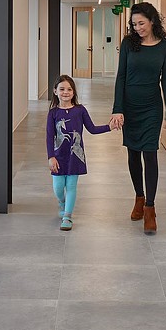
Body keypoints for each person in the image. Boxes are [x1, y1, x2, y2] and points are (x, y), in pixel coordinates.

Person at [109, 2, 166, 233]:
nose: (138, 28)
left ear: (152, 20)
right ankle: (138, 197)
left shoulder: (165, 47)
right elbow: (121, 78)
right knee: (133, 154)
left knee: (150, 153)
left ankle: (150, 208)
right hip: (129, 106)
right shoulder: (129, 44)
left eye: (141, 23)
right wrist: (118, 108)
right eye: (134, 24)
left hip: (151, 107)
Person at [46, 75, 112, 231]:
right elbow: (50, 137)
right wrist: (51, 157)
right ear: (55, 91)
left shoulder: (80, 110)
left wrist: (110, 127)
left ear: (74, 92)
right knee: (58, 187)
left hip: (75, 156)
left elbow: (93, 129)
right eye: (62, 89)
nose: (66, 92)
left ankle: (67, 216)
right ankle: (62, 202)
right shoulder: (53, 113)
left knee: (71, 186)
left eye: (69, 89)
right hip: (58, 156)